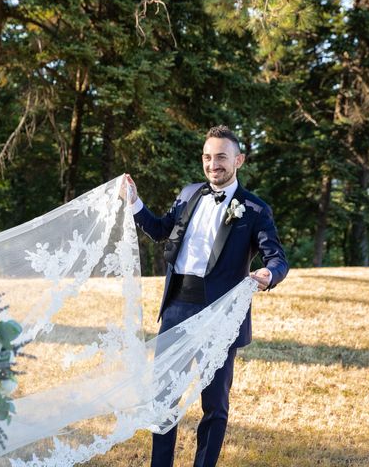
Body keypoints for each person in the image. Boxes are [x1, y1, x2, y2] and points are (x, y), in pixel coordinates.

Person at [124, 125, 289, 467]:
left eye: (221, 158)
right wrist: (135, 202)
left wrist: (268, 274)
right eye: (208, 157)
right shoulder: (188, 194)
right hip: (176, 308)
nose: (213, 164)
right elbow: (159, 230)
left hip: (220, 316)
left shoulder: (255, 210)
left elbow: (277, 258)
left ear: (238, 160)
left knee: (214, 405)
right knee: (164, 398)